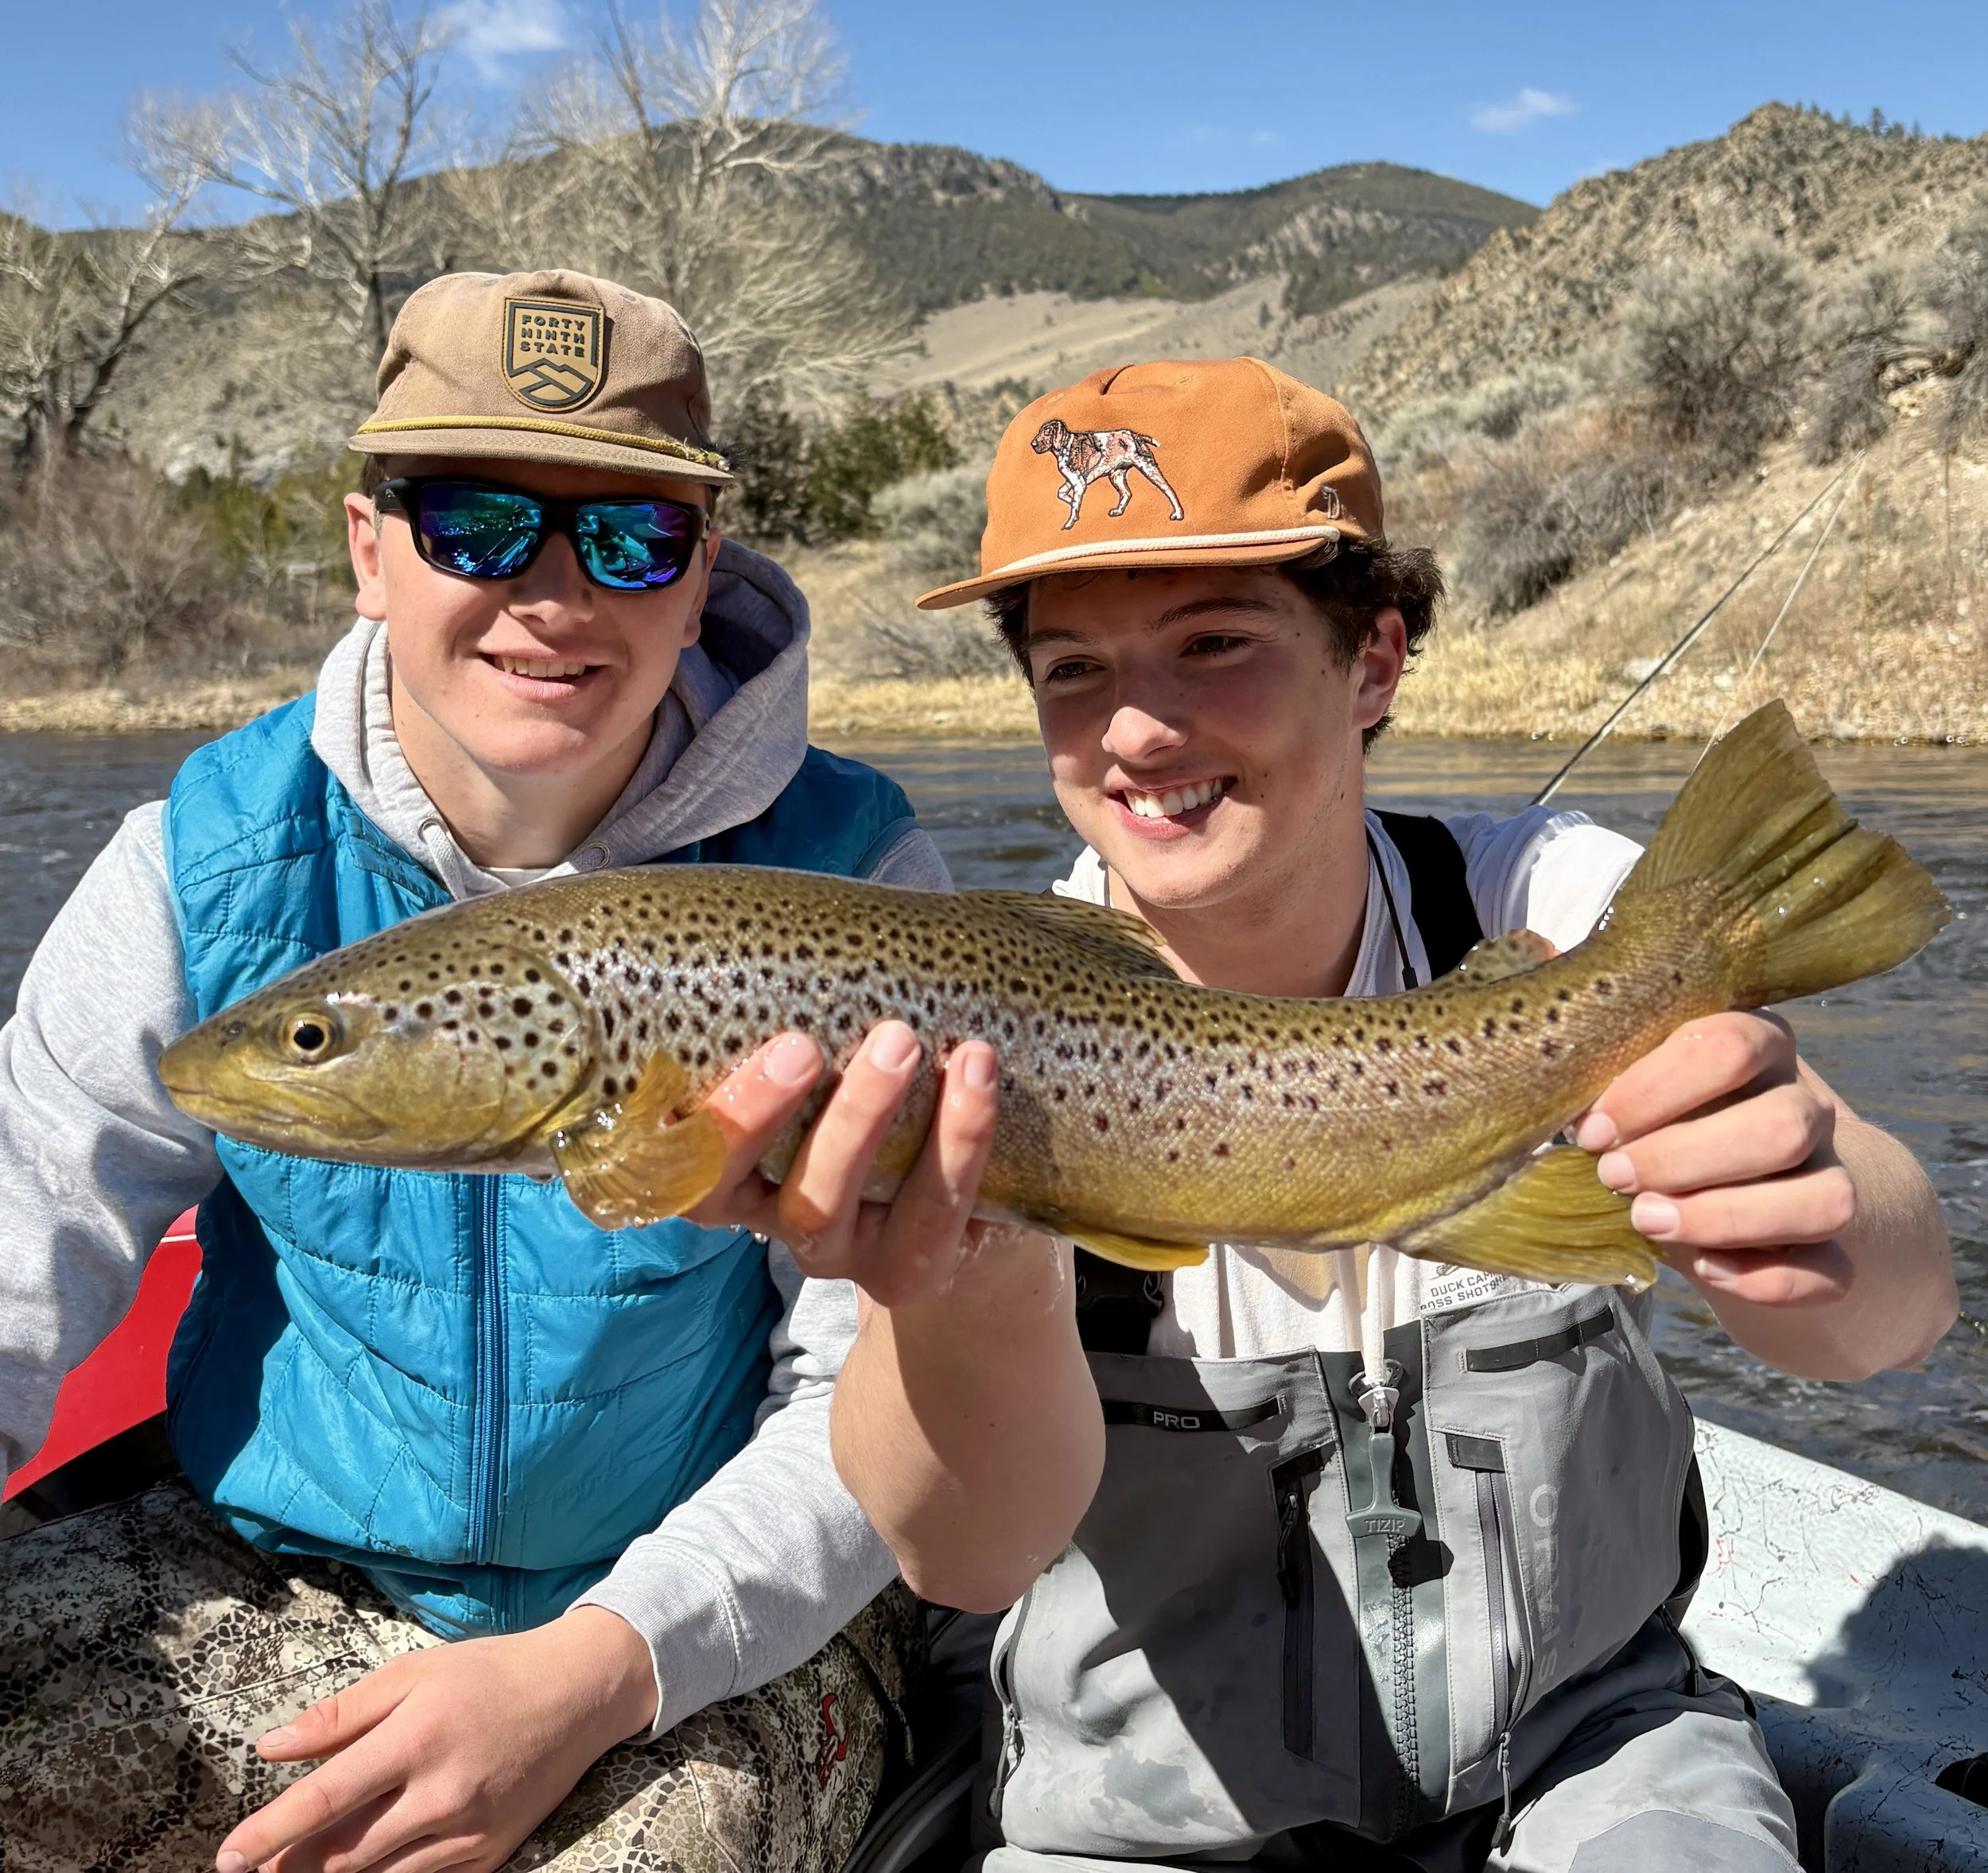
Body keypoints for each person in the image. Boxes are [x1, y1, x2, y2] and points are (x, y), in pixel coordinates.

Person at [724, 359, 1960, 1870]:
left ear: (1373, 659)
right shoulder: (961, 1034)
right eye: (1073, 671)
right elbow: (965, 1553)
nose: (1135, 730)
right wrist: (967, 1263)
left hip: (1595, 1751)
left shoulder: (1558, 908)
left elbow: (1892, 1323)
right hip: (1145, 1819)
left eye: (1214, 642)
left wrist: (1819, 1207)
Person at [0, 268, 966, 1873]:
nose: (555, 591)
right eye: (475, 522)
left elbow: (867, 1411)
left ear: (701, 569)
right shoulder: (198, 865)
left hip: (693, 1606)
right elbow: (20, 1247)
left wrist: (597, 1672)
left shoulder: (857, 884)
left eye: (631, 535)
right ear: (368, 549)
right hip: (265, 1557)